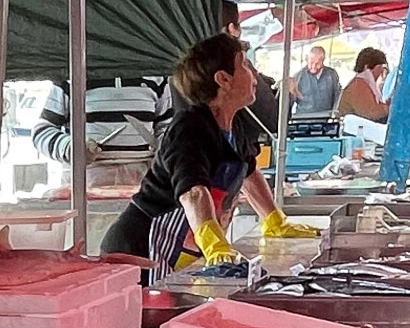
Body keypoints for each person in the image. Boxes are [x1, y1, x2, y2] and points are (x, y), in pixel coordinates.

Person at [101, 34, 314, 274]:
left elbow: (250, 174)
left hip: (183, 246)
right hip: (139, 248)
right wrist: (214, 246)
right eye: (244, 65)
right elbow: (193, 193)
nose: (254, 75)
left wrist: (274, 220)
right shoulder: (190, 127)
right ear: (223, 79)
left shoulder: (234, 125)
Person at [30, 76, 169, 166]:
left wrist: (165, 149)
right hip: (83, 180)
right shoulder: (70, 76)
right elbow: (41, 132)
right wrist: (69, 148)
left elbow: (168, 130)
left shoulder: (157, 77)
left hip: (145, 181)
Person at [220, 0, 279, 137]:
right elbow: (272, 119)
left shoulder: (186, 62)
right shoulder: (238, 64)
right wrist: (287, 93)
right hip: (231, 150)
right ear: (232, 29)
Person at [338, 47, 391, 123]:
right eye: (379, 67)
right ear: (366, 67)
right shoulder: (358, 86)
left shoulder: (362, 83)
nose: (381, 71)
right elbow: (372, 112)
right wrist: (388, 108)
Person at [290, 44, 341, 116]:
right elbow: (290, 99)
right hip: (303, 120)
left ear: (322, 61)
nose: (313, 66)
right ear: (307, 59)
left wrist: (334, 114)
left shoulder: (331, 75)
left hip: (325, 119)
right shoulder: (298, 76)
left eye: (317, 63)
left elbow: (337, 97)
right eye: (311, 62)